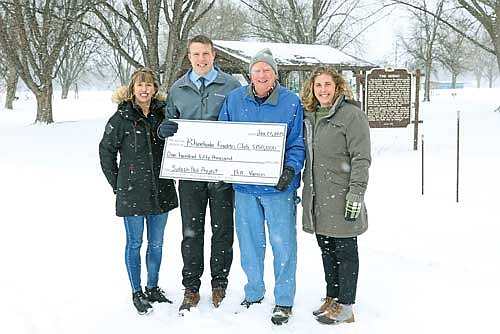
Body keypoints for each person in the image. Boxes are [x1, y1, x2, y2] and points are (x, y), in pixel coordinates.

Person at [218, 48, 305, 325]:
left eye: (267, 70)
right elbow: (223, 136)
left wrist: (290, 169)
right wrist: (223, 166)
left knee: (283, 245)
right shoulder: (234, 99)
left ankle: (283, 299)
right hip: (244, 188)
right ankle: (254, 292)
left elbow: (297, 142)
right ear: (250, 74)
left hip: (278, 188)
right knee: (250, 244)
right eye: (257, 70)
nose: (262, 74)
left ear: (275, 74)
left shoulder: (291, 102)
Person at [157, 35, 241, 313]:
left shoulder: (231, 86)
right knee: (191, 232)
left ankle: (219, 284)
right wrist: (164, 130)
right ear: (189, 57)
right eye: (196, 54)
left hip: (222, 173)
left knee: (222, 230)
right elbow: (168, 122)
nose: (201, 59)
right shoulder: (179, 88)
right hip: (190, 174)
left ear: (213, 55)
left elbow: (243, 122)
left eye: (206, 54)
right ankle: (191, 287)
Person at [99, 68, 179, 315]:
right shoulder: (121, 117)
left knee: (156, 243)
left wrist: (171, 133)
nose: (144, 89)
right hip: (132, 192)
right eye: (139, 85)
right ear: (132, 89)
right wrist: (118, 184)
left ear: (155, 88)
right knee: (135, 243)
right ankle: (137, 291)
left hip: (161, 189)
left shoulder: (163, 114)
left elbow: (180, 143)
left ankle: (153, 287)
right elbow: (106, 152)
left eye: (149, 85)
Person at [300, 66, 371, 325]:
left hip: (341, 195)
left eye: (327, 85)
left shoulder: (351, 115)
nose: (323, 90)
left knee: (345, 251)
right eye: (318, 85)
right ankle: (332, 297)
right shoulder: (310, 115)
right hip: (318, 196)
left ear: (337, 86)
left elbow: (361, 158)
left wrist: (356, 193)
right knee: (326, 249)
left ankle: (346, 305)